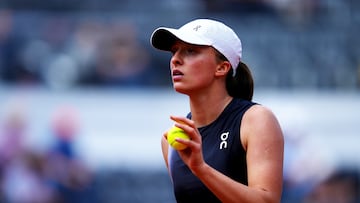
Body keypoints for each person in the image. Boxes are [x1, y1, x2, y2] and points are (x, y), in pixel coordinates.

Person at [150, 18, 284, 203]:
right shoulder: (172, 142)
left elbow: (266, 201)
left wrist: (202, 169)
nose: (175, 59)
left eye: (190, 51)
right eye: (174, 51)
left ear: (221, 67)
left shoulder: (256, 120)